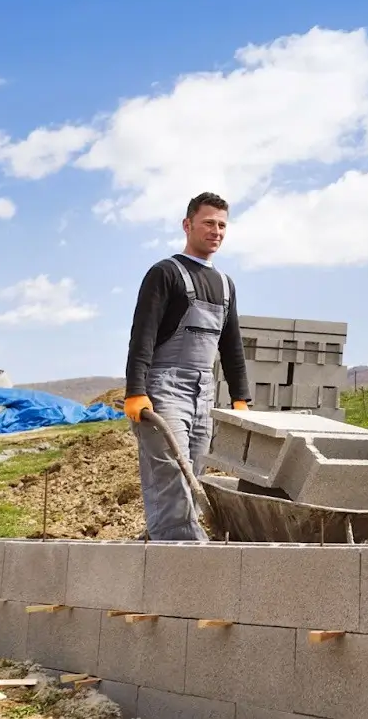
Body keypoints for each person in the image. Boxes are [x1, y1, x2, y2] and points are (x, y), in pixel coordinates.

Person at [123, 191, 249, 540]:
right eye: (209, 223)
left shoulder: (225, 285)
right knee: (172, 477)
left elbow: (231, 345)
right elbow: (142, 335)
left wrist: (241, 398)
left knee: (193, 477)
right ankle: (184, 555)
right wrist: (135, 391)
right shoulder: (165, 273)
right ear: (188, 224)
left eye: (223, 225)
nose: (216, 231)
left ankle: (166, 547)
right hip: (164, 388)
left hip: (204, 392)